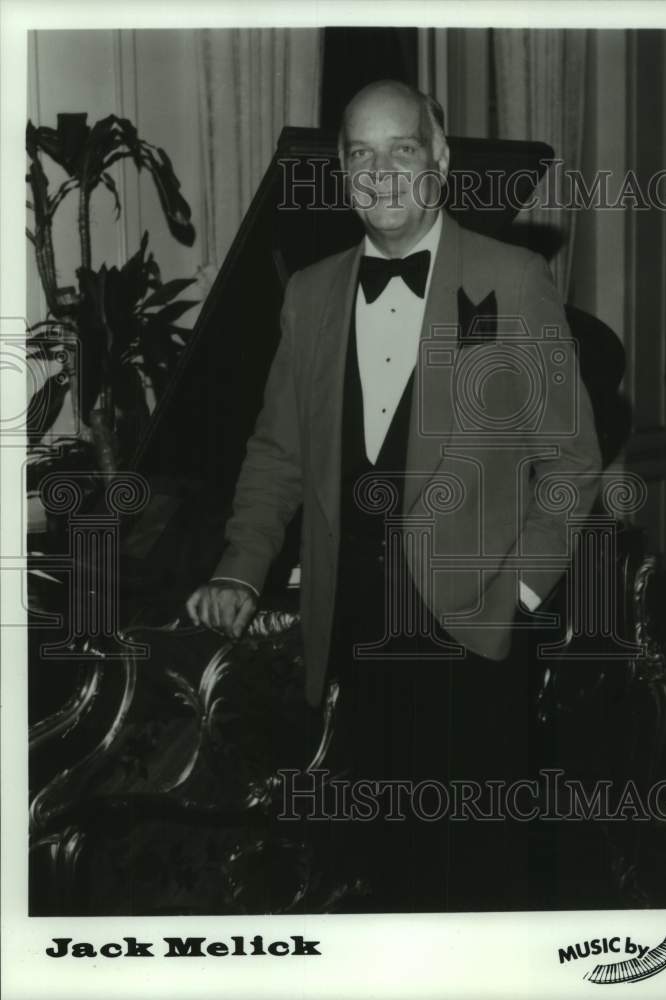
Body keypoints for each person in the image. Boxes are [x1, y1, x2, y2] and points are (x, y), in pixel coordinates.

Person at [186, 80, 601, 910]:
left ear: (439, 161)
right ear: (339, 171)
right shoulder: (308, 292)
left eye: (401, 149)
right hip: (345, 639)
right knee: (362, 883)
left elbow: (572, 463)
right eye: (359, 154)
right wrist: (239, 568)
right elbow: (277, 452)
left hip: (472, 638)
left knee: (470, 887)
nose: (379, 172)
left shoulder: (513, 280)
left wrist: (515, 598)